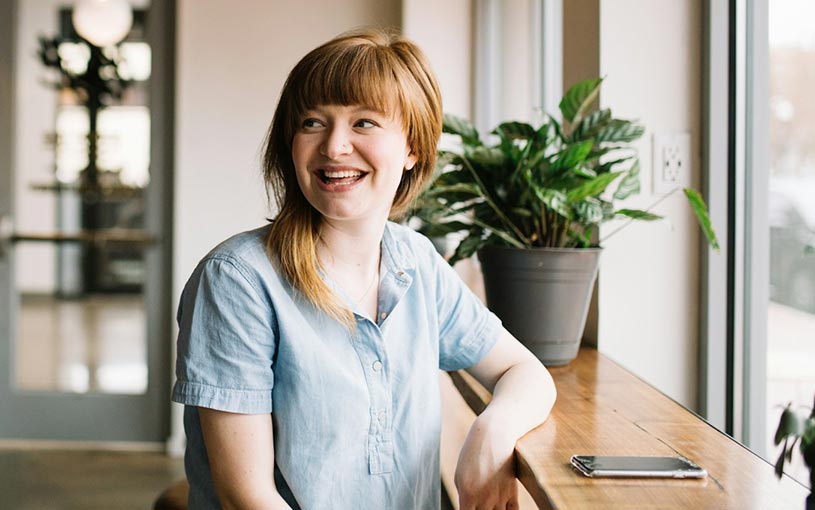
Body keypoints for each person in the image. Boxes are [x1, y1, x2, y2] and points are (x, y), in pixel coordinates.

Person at [172, 28, 556, 510]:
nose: (334, 146)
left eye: (364, 122)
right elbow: (246, 498)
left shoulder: (416, 261)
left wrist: (492, 432)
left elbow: (525, 371)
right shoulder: (237, 279)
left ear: (413, 147)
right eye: (312, 122)